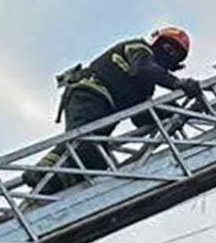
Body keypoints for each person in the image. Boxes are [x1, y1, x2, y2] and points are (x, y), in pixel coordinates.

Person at [26, 26, 205, 192]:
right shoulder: (138, 48)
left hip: (102, 108)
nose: (170, 53)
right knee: (84, 139)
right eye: (168, 47)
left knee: (97, 161)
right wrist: (178, 83)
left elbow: (141, 116)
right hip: (90, 96)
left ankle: (54, 186)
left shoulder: (146, 87)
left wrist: (183, 111)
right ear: (156, 43)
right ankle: (41, 174)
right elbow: (145, 67)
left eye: (175, 53)